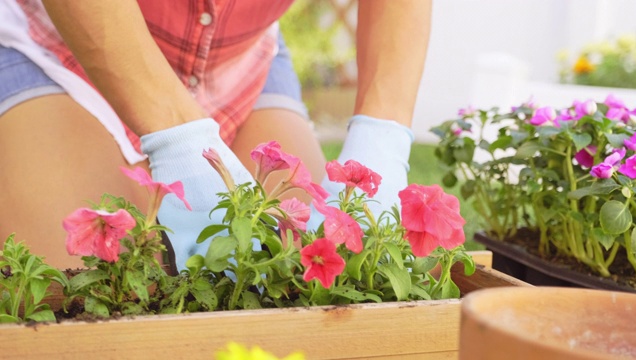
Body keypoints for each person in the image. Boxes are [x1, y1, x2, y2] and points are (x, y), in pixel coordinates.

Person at [0, 0, 432, 270]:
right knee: (96, 281)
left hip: (237, 59)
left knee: (302, 279)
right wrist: (180, 140)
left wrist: (382, 138)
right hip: (55, 36)